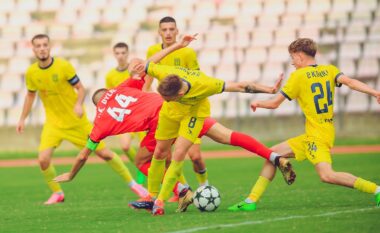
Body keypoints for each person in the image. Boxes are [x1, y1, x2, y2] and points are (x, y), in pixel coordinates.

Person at [54, 36, 295, 214]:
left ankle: (172, 194)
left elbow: (85, 154)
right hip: (184, 111)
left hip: (165, 117)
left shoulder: (100, 121)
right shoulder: (123, 87)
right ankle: (273, 157)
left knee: (149, 159)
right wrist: (179, 45)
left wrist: (71, 174)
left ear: (97, 106)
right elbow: (147, 65)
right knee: (224, 136)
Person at [128, 34, 295, 216]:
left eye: (168, 98)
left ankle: (159, 202)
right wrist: (175, 46)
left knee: (179, 154)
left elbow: (240, 86)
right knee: (160, 152)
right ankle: (152, 197)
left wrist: (269, 90)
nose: (165, 100)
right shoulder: (166, 74)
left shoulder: (205, 84)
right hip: (170, 115)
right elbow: (144, 64)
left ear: (181, 93)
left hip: (193, 116)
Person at [228, 38, 380, 212]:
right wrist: (375, 92)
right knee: (272, 155)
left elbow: (274, 104)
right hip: (321, 132)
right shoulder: (329, 70)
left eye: (292, 58)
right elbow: (351, 82)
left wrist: (257, 103)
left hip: (316, 137)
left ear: (300, 56)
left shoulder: (298, 76)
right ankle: (250, 201)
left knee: (327, 175)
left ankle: (376, 189)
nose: (292, 62)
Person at [16, 34, 148, 205]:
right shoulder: (31, 73)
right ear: (33, 49)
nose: (42, 48)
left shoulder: (63, 66)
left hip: (77, 123)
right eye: (38, 46)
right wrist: (22, 118)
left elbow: (80, 88)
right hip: (53, 124)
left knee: (105, 154)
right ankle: (57, 193)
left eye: (44, 45)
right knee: (43, 159)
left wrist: (78, 104)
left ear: (49, 47)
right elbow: (30, 95)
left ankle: (135, 186)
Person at [146, 16, 209, 197]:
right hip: (167, 112)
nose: (168, 33)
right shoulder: (152, 51)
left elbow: (198, 79)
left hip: (188, 111)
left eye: (171, 29)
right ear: (159, 32)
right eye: (164, 29)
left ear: (177, 31)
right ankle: (183, 190)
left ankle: (205, 187)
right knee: (164, 155)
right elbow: (147, 79)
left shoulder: (187, 53)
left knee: (195, 156)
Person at [105, 42, 146, 184]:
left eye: (123, 53)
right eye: (118, 53)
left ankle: (143, 184)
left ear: (128, 54)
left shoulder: (135, 70)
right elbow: (111, 97)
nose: (121, 56)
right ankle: (141, 167)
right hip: (125, 117)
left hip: (141, 115)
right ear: (114, 55)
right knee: (125, 146)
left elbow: (146, 88)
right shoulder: (110, 75)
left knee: (146, 150)